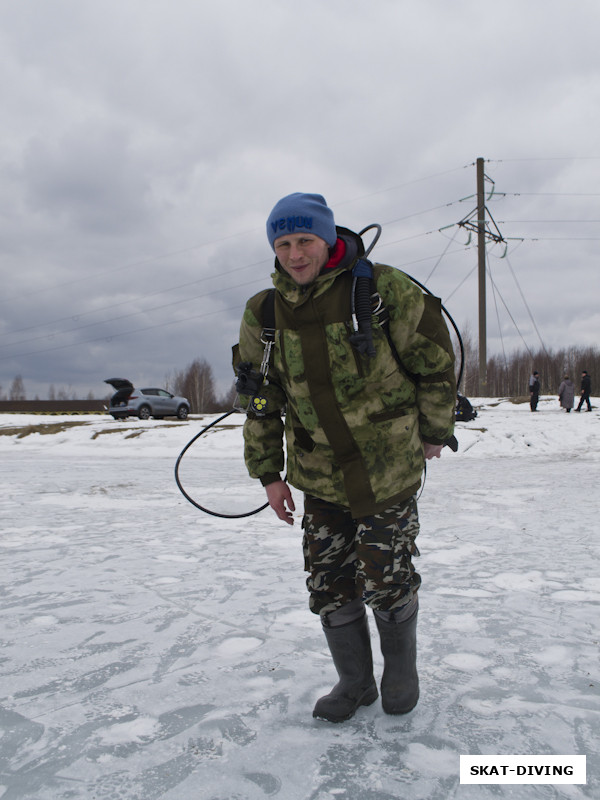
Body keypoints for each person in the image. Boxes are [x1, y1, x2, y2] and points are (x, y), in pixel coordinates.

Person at [233, 192, 456, 723]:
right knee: (328, 581)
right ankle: (354, 682)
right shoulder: (264, 312)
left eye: (304, 240)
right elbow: (260, 398)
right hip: (319, 474)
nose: (294, 254)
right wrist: (269, 474)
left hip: (388, 467)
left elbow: (436, 363)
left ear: (328, 237)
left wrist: (434, 430)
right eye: (282, 243)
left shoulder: (382, 289)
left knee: (386, 573)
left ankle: (400, 672)